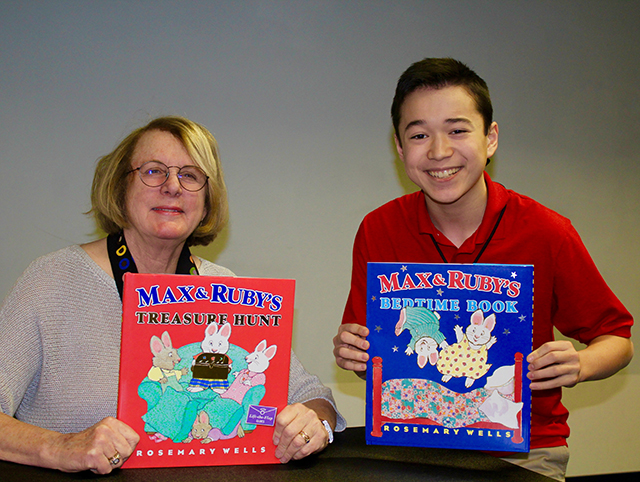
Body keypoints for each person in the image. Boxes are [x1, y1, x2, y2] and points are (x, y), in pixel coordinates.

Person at [332, 58, 633, 481]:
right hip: (415, 443)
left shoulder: (547, 231)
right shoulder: (378, 229)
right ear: (400, 149)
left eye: (457, 130)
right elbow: (378, 356)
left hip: (525, 451)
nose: (439, 151)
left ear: (490, 138)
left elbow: (617, 338)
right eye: (419, 135)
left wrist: (580, 365)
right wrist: (358, 353)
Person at [0, 116, 345, 474]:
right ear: (120, 187)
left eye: (190, 175)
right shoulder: (51, 280)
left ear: (208, 199)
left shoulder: (227, 291)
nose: (172, 187)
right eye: (153, 171)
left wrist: (313, 425)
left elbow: (313, 397)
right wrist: (60, 447)